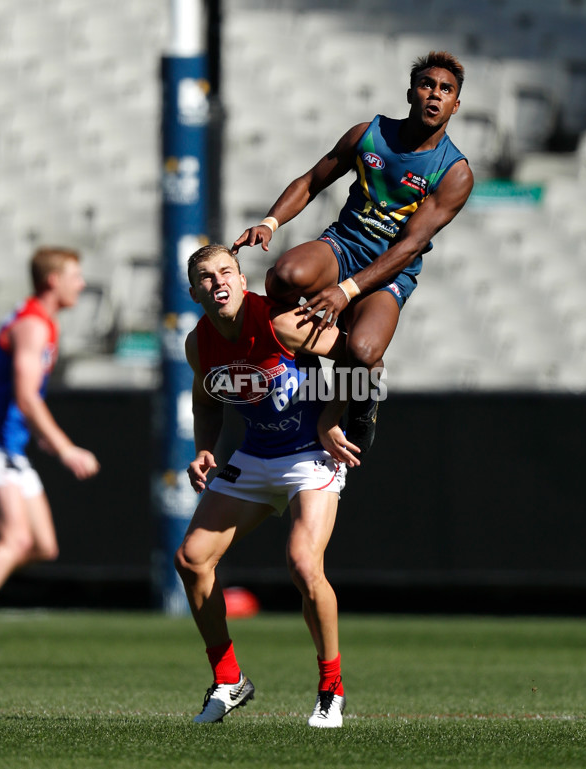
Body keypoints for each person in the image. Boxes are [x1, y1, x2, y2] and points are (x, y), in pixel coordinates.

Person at [232, 51, 475, 450]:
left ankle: (364, 393)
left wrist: (345, 291)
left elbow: (410, 246)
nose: (434, 94)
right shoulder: (369, 134)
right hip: (341, 246)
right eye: (427, 84)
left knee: (362, 352)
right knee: (283, 278)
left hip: (389, 272)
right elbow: (312, 181)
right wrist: (269, 222)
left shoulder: (454, 172)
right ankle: (308, 365)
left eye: (445, 89)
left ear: (456, 104)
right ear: (411, 92)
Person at [174, 244, 361, 728]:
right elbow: (208, 401)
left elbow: (365, 361)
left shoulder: (280, 322)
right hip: (255, 455)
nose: (218, 283)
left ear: (241, 279)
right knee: (192, 561)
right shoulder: (199, 343)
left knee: (302, 563)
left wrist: (331, 420)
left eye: (226, 272)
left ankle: (331, 687)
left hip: (310, 455)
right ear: (193, 292)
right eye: (205, 277)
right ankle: (229, 679)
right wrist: (204, 448)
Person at [0, 247, 100, 593]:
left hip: (11, 445)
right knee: (17, 539)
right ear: (53, 281)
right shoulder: (33, 325)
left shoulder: (42, 323)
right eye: (75, 277)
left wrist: (36, 432)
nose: (82, 284)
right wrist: (65, 449)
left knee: (43, 545)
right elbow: (26, 396)